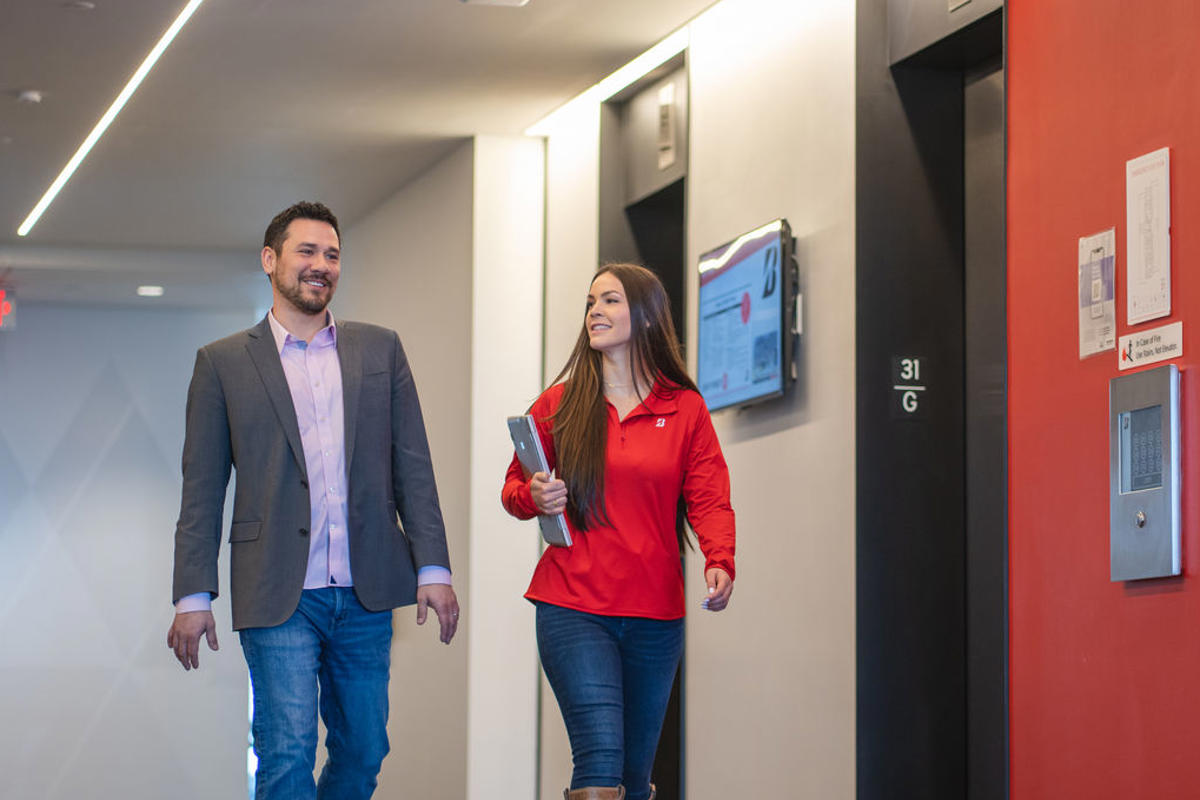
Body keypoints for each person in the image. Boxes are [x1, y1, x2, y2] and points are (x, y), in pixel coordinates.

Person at [167, 201, 460, 800]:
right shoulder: (222, 363)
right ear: (270, 260)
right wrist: (192, 596)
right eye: (306, 251)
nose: (321, 265)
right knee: (287, 751)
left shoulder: (380, 350)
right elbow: (201, 489)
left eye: (332, 254)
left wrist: (433, 567)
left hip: (366, 589)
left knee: (365, 750)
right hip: (278, 592)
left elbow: (413, 464)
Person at [501, 263, 736, 800]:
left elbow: (709, 495)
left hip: (656, 614)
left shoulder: (685, 409)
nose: (595, 312)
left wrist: (720, 559)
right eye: (590, 303)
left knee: (633, 773)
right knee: (600, 756)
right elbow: (514, 488)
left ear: (646, 316)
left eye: (609, 300)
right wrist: (534, 496)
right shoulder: (559, 405)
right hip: (573, 605)